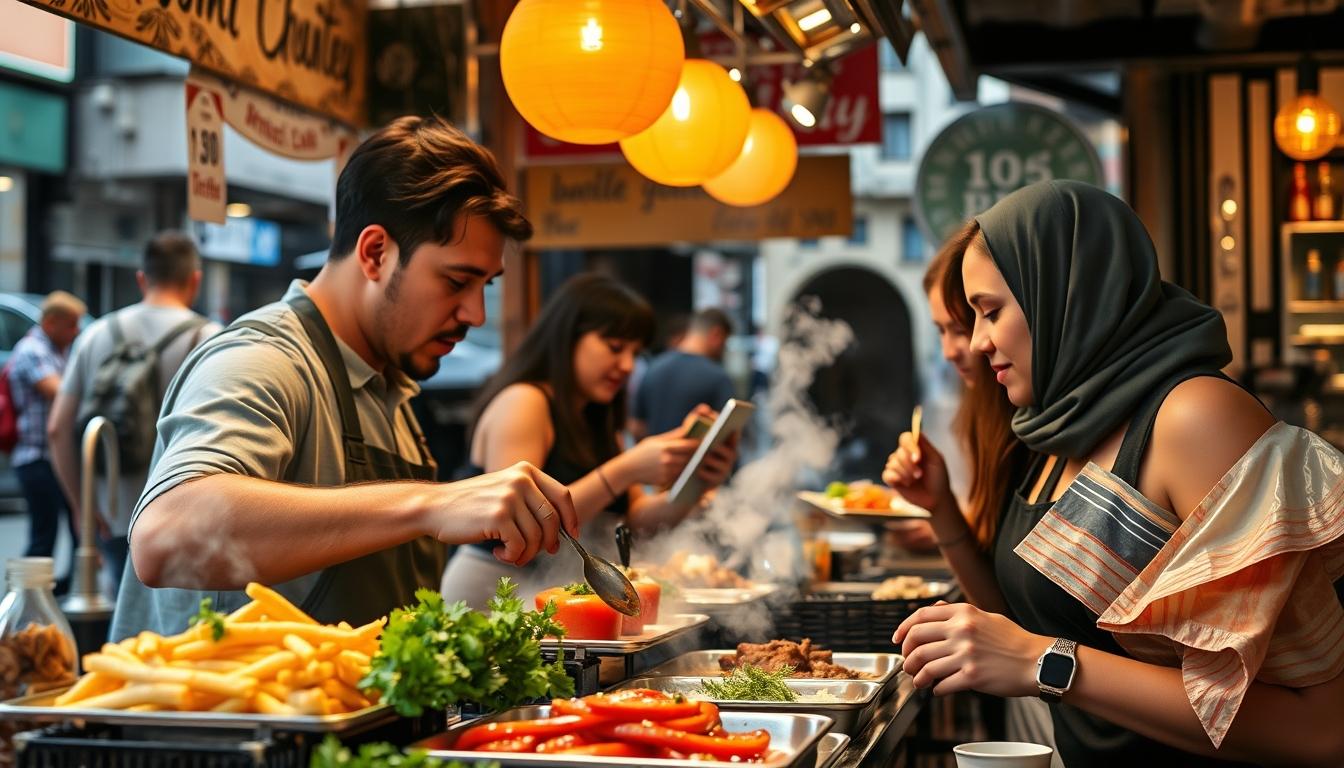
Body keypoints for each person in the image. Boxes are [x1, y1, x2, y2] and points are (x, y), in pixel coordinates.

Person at [887, 181, 1344, 766]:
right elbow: (1021, 625)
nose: (977, 344)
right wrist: (943, 512)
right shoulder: (1054, 428)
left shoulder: (1194, 417)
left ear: (1066, 295)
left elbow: (1321, 725)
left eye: (990, 312)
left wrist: (1042, 663)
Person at [110, 116, 580, 640]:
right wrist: (432, 502)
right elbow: (164, 535)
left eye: (485, 286)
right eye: (456, 281)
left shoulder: (390, 390)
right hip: (235, 721)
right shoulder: (264, 359)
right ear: (375, 252)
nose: (475, 314)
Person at [441, 274, 736, 607]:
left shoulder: (597, 416)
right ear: (568, 336)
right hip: (492, 595)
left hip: (555, 599)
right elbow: (521, 524)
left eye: (635, 352)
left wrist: (695, 481)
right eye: (614, 347)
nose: (626, 365)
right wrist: (625, 469)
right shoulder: (524, 401)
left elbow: (636, 519)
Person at [48, 232, 221, 597]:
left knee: (120, 616)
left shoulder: (95, 334)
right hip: (183, 516)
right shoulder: (211, 339)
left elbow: (57, 430)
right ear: (195, 280)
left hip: (113, 511)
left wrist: (83, 507)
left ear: (142, 278)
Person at [9, 291, 85, 593]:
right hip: (37, 457)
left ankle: (64, 589)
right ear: (51, 322)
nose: (76, 331)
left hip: (55, 457)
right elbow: (59, 393)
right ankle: (24, 600)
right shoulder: (32, 351)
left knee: (78, 530)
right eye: (71, 325)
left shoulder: (58, 350)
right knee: (44, 536)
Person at [630, 308, 736, 440]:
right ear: (716, 334)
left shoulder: (653, 368)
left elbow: (637, 428)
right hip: (696, 459)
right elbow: (726, 436)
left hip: (653, 459)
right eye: (724, 343)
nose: (723, 350)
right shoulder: (718, 377)